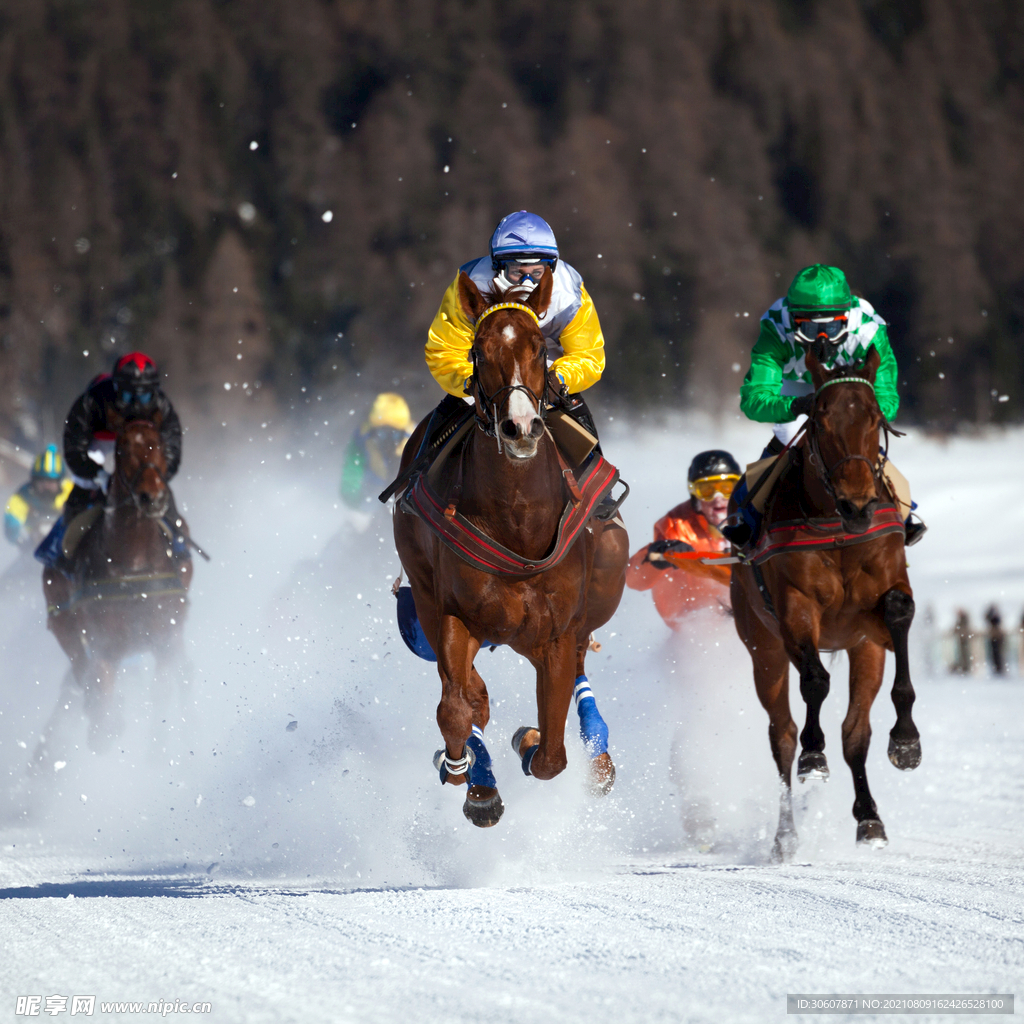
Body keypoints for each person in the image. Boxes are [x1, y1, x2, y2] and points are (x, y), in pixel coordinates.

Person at [722, 264, 925, 549]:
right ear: (793, 320)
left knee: (855, 439)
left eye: (829, 327)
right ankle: (748, 517)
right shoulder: (775, 329)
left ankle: (904, 512)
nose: (821, 338)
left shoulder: (869, 332)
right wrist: (798, 405)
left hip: (850, 396)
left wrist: (857, 416)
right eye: (808, 327)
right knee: (789, 438)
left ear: (846, 318)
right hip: (797, 389)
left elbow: (887, 401)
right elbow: (753, 400)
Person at [423, 210, 606, 454]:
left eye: (537, 273)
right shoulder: (470, 285)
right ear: (497, 267)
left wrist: (558, 380)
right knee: (433, 437)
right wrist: (470, 382)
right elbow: (444, 351)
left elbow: (589, 355)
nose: (527, 282)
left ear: (551, 267)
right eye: (517, 271)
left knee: (589, 447)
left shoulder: (570, 293)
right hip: (486, 375)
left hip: (546, 373)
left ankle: (602, 491)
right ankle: (413, 481)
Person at [35, 352, 185, 570]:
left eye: (143, 397)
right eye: (127, 396)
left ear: (153, 392)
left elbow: (172, 451)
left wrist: (155, 478)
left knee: (162, 495)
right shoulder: (91, 402)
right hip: (98, 445)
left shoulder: (162, 406)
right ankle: (59, 554)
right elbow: (74, 448)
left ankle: (179, 545)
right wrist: (98, 475)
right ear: (115, 388)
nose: (135, 404)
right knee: (78, 498)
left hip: (139, 447)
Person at [626, 450, 739, 629]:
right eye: (707, 490)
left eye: (726, 488)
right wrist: (658, 556)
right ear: (695, 494)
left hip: (750, 620)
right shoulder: (677, 526)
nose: (718, 498)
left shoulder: (754, 518)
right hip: (693, 626)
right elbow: (633, 579)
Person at [341, 392, 415, 511]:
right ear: (373, 430)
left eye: (395, 434)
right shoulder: (362, 441)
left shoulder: (416, 442)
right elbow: (351, 477)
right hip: (369, 500)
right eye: (382, 433)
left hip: (404, 506)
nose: (388, 441)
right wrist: (360, 507)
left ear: (404, 432)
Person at [4, 445, 73, 549]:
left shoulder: (71, 492)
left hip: (67, 545)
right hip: (33, 547)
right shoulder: (23, 495)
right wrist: (22, 541)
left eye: (51, 482)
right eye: (41, 481)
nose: (46, 486)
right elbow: (11, 524)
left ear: (60, 482)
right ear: (33, 480)